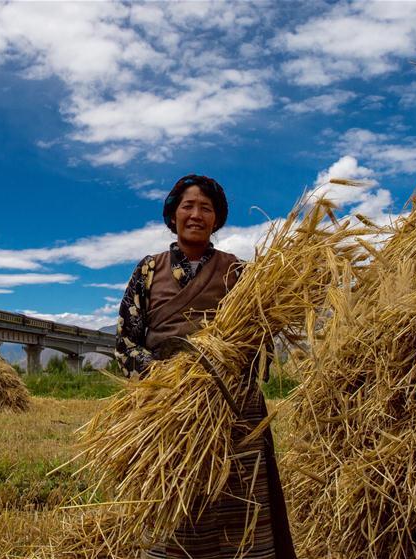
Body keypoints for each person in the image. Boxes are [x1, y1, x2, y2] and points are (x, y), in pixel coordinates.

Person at [115, 174, 297, 559]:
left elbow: (259, 341)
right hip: (165, 408)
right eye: (188, 206)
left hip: (233, 411)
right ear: (173, 214)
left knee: (238, 510)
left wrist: (223, 369)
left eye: (206, 208)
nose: (196, 214)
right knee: (174, 507)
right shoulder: (148, 270)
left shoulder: (239, 273)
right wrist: (166, 380)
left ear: (217, 219)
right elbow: (126, 341)